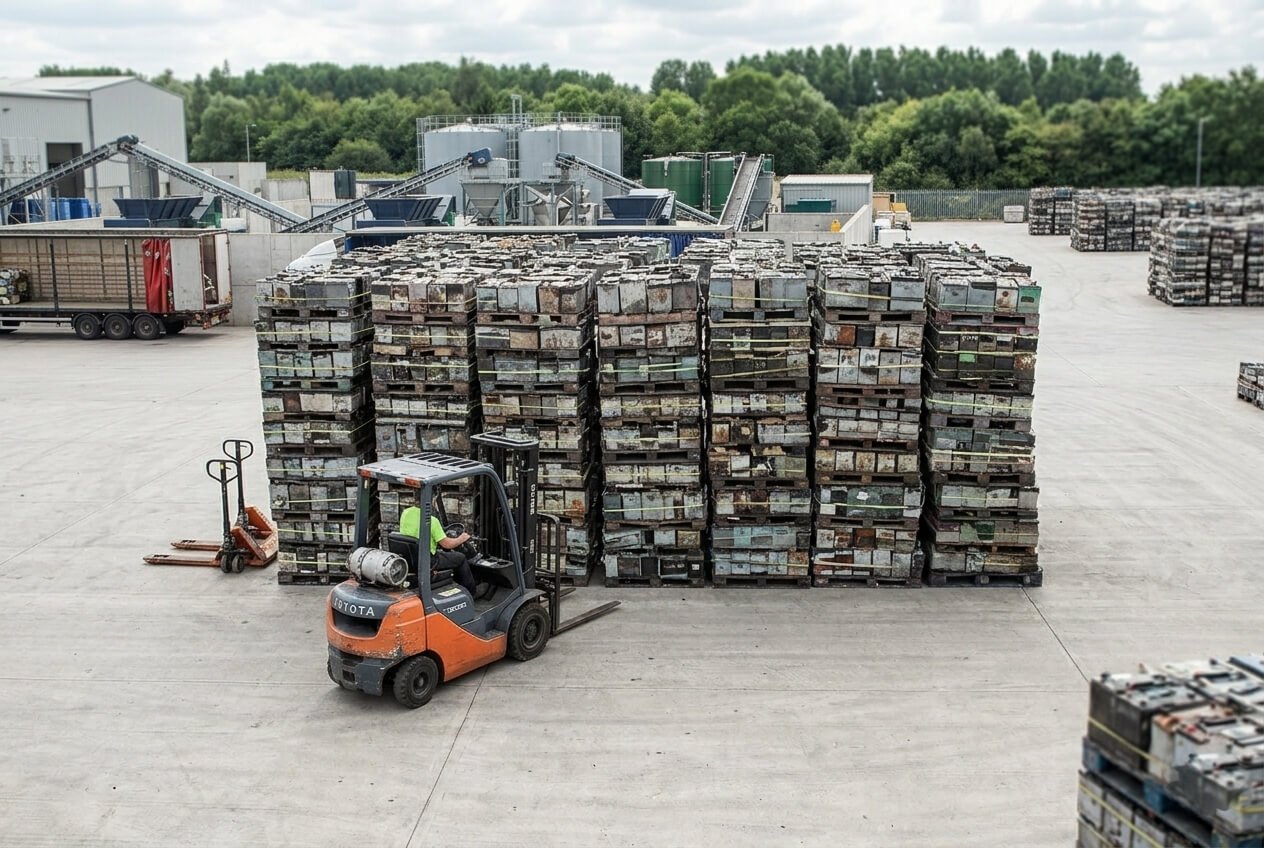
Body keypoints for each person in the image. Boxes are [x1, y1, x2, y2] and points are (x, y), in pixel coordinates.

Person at [399, 505, 477, 595]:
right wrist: (461, 538)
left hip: (411, 557)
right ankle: (471, 592)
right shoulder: (431, 521)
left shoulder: (406, 513)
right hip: (429, 560)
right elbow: (447, 544)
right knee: (461, 558)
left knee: (447, 555)